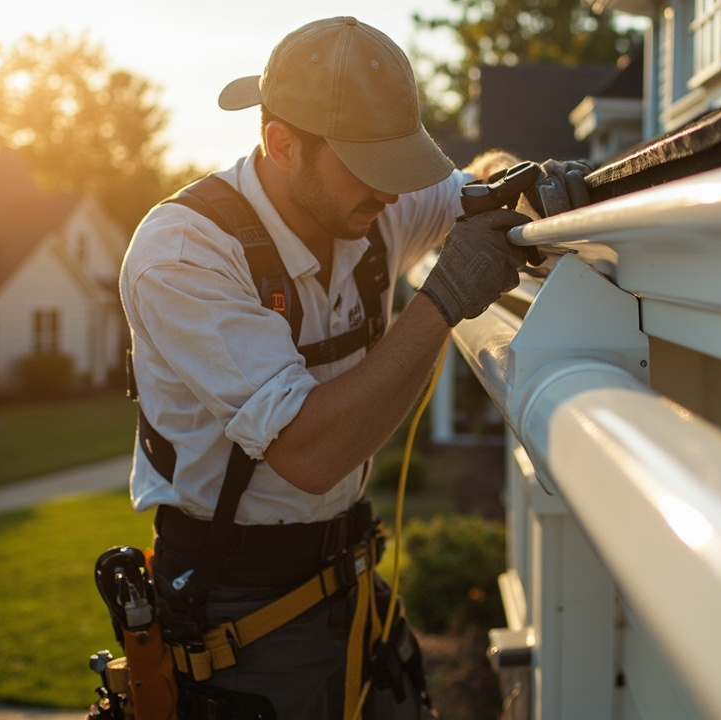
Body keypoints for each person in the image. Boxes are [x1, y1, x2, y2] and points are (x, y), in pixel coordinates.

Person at [118, 16, 585, 720]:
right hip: (238, 609)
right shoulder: (184, 254)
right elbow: (309, 454)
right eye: (373, 169)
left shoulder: (364, 205)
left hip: (351, 580)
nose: (395, 196)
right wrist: (444, 299)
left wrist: (523, 186)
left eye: (402, 166)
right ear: (281, 144)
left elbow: (476, 186)